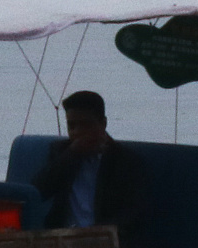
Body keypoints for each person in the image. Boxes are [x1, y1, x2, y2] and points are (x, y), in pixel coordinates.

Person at [32, 90, 144, 232]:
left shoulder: (125, 161)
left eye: (85, 125)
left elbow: (133, 213)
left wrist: (97, 233)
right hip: (63, 237)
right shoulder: (61, 152)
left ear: (103, 124)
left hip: (104, 240)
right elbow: (38, 191)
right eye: (72, 126)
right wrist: (71, 155)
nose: (77, 132)